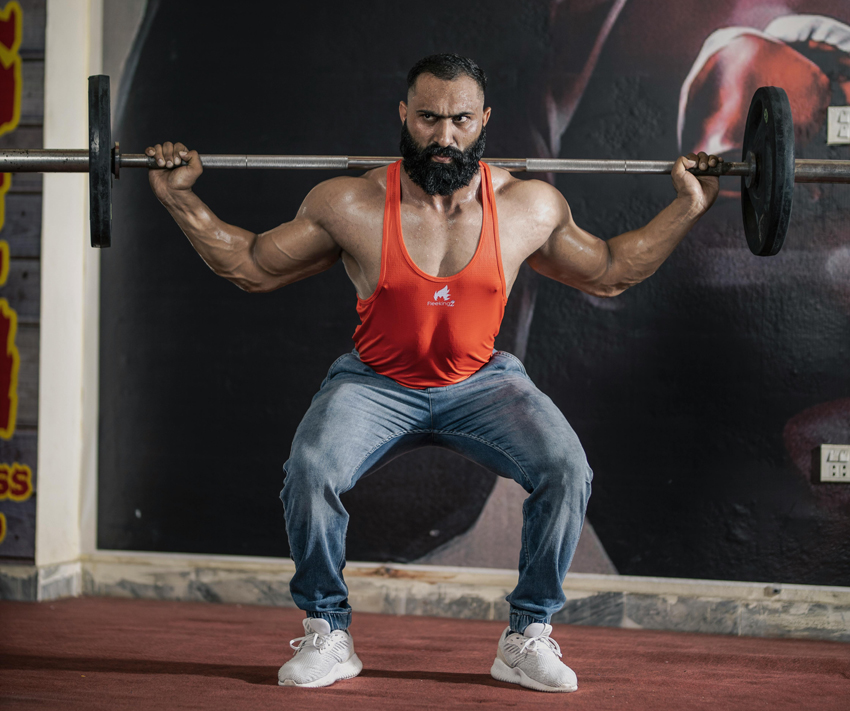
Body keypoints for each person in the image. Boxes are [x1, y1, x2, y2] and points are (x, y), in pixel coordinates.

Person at [146, 54, 720, 693]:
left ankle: (527, 636)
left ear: (484, 120)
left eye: (460, 120)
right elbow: (252, 265)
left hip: (482, 384)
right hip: (374, 384)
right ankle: (327, 630)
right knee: (309, 469)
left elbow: (610, 270)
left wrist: (688, 206)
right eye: (428, 118)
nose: (444, 136)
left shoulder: (527, 206)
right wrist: (180, 197)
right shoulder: (351, 203)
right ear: (403, 115)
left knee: (567, 469)